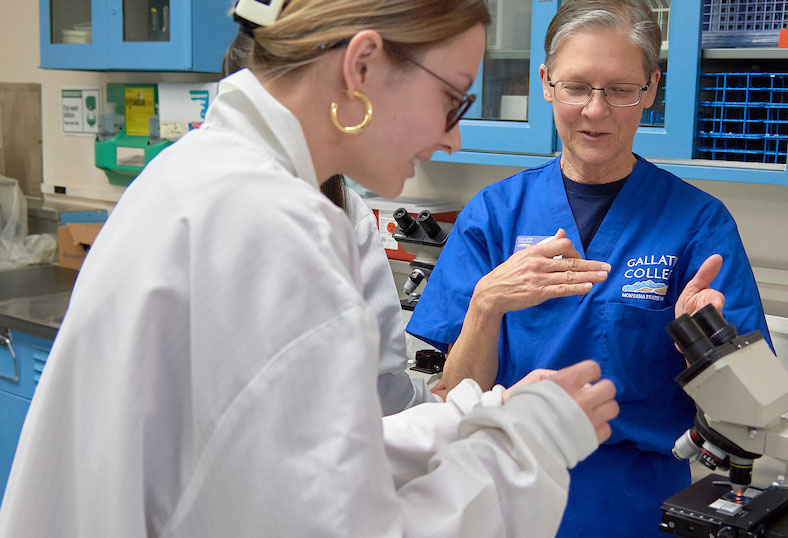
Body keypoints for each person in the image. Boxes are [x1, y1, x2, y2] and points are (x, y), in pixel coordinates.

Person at [0, 1, 620, 536]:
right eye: (452, 100)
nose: (451, 138)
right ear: (362, 66)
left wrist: (465, 419)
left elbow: (286, 463)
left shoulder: (202, 173)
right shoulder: (274, 232)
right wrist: (532, 444)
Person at [406, 0, 774, 535]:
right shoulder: (494, 214)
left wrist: (707, 345)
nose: (595, 111)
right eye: (576, 86)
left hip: (638, 506)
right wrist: (487, 303)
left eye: (621, 90)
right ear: (546, 83)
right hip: (504, 493)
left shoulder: (697, 223)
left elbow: (746, 417)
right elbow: (455, 398)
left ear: (650, 89)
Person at [223, 31, 438, 415]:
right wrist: (445, 411)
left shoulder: (179, 185)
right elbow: (382, 392)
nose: (447, 139)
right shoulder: (338, 209)